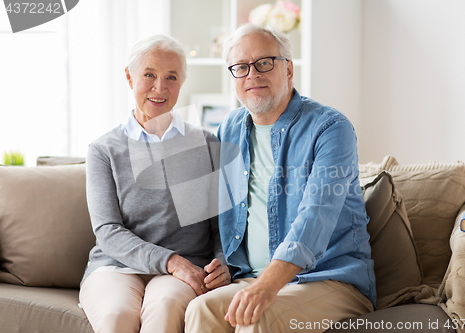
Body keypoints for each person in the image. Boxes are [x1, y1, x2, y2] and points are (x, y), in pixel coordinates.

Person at [185, 24, 376, 333]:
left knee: (257, 318)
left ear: (288, 69)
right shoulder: (229, 129)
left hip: (328, 279)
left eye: (264, 63)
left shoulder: (330, 128)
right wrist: (222, 260)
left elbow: (316, 215)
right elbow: (220, 212)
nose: (252, 75)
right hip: (250, 276)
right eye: (241, 67)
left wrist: (268, 286)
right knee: (200, 310)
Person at [79, 34, 231, 333]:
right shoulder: (103, 149)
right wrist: (171, 261)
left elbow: (220, 224)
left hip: (186, 269)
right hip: (116, 268)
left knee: (164, 309)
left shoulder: (206, 143)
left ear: (182, 83)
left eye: (171, 77)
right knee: (116, 316)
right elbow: (107, 231)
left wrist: (222, 264)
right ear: (129, 77)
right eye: (149, 74)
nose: (159, 88)